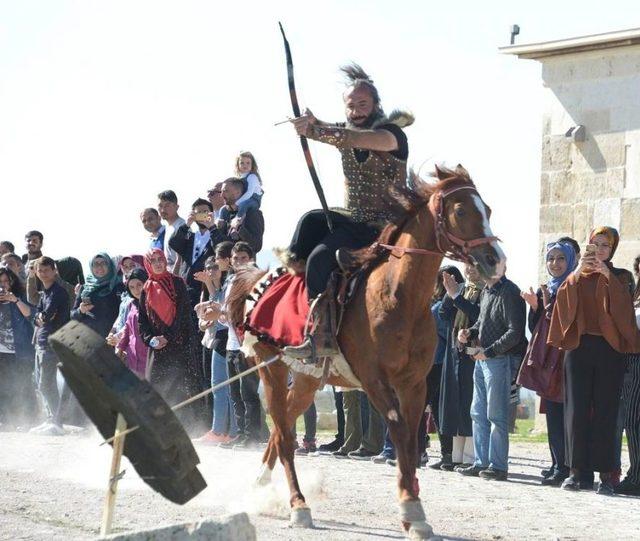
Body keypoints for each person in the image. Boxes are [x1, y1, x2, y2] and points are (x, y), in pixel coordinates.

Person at [284, 63, 413, 360]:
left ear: (376, 104)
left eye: (363, 104)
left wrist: (314, 131)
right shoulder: (344, 130)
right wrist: (312, 123)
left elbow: (354, 138)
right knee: (311, 242)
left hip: (387, 227)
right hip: (354, 222)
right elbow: (341, 132)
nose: (356, 111)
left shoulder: (391, 135)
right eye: (351, 106)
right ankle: (318, 332)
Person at [549, 226, 640, 495]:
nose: (599, 250)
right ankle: (578, 473)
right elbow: (562, 305)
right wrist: (577, 273)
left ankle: (606, 475)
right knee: (575, 410)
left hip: (609, 350)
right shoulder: (576, 276)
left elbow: (624, 310)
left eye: (605, 246)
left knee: (606, 412)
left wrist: (606, 276)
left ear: (612, 250)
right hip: (578, 348)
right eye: (595, 244)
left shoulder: (619, 276)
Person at [458, 269, 527, 481]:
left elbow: (515, 333)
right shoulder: (487, 291)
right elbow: (482, 321)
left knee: (496, 415)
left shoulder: (510, 291)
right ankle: (481, 463)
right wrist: (470, 331)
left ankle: (498, 467)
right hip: (484, 359)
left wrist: (487, 352)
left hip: (500, 360)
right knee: (478, 413)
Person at [519, 241, 576, 486]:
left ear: (571, 260)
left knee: (564, 415)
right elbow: (537, 330)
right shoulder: (550, 289)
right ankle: (556, 463)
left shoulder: (572, 287)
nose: (555, 264)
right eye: (551, 258)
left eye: (560, 258)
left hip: (565, 359)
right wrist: (535, 308)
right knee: (552, 413)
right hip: (548, 361)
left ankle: (565, 466)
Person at [138, 249, 199, 430]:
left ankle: (189, 428)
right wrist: (151, 340)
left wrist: (168, 337)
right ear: (148, 264)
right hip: (157, 348)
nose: (158, 263)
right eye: (153, 260)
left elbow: (183, 314)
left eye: (160, 259)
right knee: (158, 389)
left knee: (182, 387)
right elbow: (142, 321)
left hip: (180, 345)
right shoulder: (145, 289)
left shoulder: (177, 283)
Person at [437, 263, 484, 472]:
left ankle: (470, 456)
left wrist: (457, 298)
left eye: (476, 265)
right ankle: (455, 456)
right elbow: (444, 315)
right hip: (454, 352)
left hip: (474, 354)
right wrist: (450, 294)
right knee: (454, 404)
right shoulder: (463, 288)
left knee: (469, 404)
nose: (471, 269)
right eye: (468, 265)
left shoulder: (486, 291)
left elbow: (478, 316)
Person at [221, 242, 263, 449]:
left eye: (243, 258)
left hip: (247, 343)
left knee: (249, 392)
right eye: (236, 258)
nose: (239, 262)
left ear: (251, 259)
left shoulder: (256, 280)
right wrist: (213, 315)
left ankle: (253, 435)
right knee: (234, 393)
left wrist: (222, 314)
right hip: (231, 343)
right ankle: (240, 433)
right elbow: (225, 315)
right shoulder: (229, 281)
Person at [196, 249, 239, 444]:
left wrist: (211, 315)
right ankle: (221, 430)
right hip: (219, 337)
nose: (212, 270)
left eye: (215, 266)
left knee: (225, 387)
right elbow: (214, 307)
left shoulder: (231, 283)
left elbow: (222, 312)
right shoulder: (221, 286)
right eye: (209, 267)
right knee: (218, 386)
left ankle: (228, 431)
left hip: (226, 337)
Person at [427, 266, 464, 470]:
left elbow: (444, 329)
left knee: (442, 409)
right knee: (436, 409)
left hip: (442, 360)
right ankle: (445, 454)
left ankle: (448, 455)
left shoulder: (448, 302)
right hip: (434, 360)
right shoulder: (438, 301)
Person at [30, 257, 70, 436]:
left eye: (47, 269)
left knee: (46, 383)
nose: (43, 273)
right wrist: (40, 317)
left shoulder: (58, 292)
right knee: (43, 383)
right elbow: (37, 316)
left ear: (54, 271)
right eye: (40, 270)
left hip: (54, 342)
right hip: (42, 342)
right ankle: (52, 419)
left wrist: (41, 317)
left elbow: (46, 316)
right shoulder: (44, 292)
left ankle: (58, 422)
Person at [0, 268, 36, 429]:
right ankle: (7, 420)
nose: (4, 285)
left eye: (7, 281)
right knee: (4, 387)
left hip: (20, 351)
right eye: (0, 282)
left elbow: (30, 315)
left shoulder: (21, 297)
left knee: (23, 385)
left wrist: (15, 300)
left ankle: (29, 420)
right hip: (2, 352)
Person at [169, 198, 220, 307]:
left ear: (211, 214)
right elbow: (173, 243)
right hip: (186, 291)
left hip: (206, 291)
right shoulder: (190, 237)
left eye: (205, 212)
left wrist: (212, 227)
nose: (202, 215)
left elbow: (222, 248)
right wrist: (187, 225)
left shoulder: (216, 234)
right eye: (198, 213)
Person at [71, 253, 123, 338]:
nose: (99, 267)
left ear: (109, 265)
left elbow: (124, 314)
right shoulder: (85, 288)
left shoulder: (118, 287)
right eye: (96, 264)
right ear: (91, 267)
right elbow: (72, 315)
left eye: (103, 263)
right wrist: (80, 311)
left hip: (110, 340)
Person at [215, 178, 264, 255]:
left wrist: (239, 227)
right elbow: (217, 247)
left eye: (225, 191)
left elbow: (256, 246)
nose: (221, 195)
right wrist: (214, 229)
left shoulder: (253, 213)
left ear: (238, 192)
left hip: (244, 265)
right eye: (221, 192)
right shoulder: (225, 214)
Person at [115, 268, 149, 378]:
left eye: (139, 285)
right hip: (133, 358)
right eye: (132, 287)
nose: (136, 290)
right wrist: (120, 349)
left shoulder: (154, 304)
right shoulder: (132, 305)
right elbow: (127, 329)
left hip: (149, 357)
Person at [157, 190, 186, 276]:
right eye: (160, 206)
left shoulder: (181, 227)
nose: (162, 209)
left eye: (167, 205)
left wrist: (174, 279)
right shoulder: (169, 227)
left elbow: (181, 258)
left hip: (179, 278)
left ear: (176, 207)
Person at [233, 151, 264, 219]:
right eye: (242, 163)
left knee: (243, 205)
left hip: (253, 200)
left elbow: (249, 193)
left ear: (252, 165)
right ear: (238, 165)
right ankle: (221, 222)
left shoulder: (252, 177)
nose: (245, 165)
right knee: (224, 209)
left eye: (248, 163)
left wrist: (236, 203)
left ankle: (237, 221)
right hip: (242, 199)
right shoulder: (239, 179)